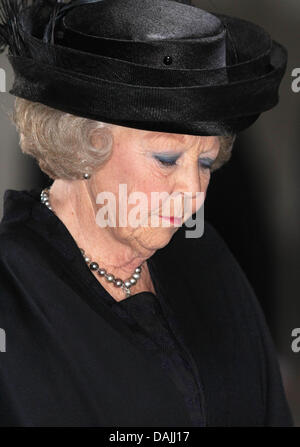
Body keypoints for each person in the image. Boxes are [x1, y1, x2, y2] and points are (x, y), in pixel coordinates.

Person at [0, 0, 293, 426]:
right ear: (84, 145)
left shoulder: (206, 259)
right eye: (166, 158)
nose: (193, 191)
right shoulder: (14, 290)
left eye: (206, 163)